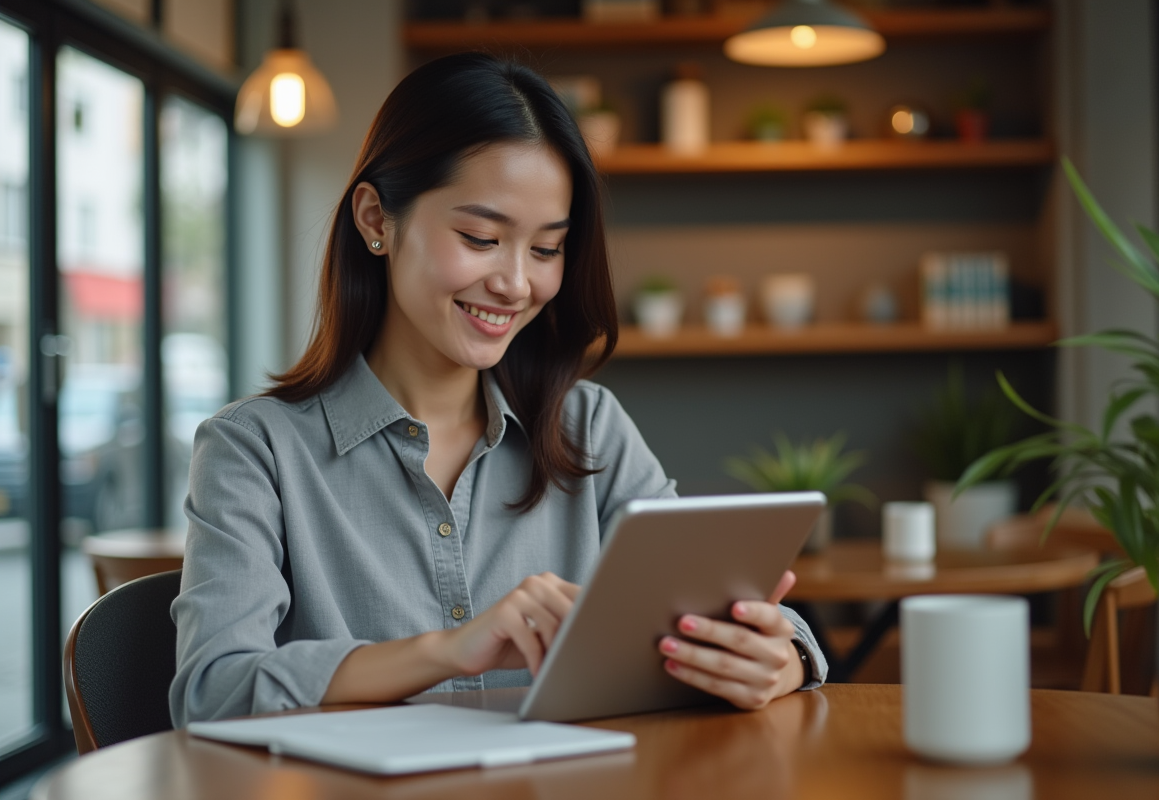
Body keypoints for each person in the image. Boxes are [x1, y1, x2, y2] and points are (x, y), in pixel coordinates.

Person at [170, 53, 826, 726]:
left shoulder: (588, 425)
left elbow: (721, 612)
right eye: (481, 237)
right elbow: (213, 689)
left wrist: (780, 659)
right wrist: (449, 650)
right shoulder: (255, 449)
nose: (516, 283)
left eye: (546, 250)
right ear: (375, 220)